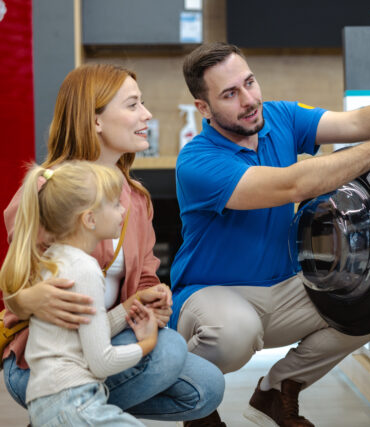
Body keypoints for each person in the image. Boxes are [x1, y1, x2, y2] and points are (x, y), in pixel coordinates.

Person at [169, 42, 370, 427]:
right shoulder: (197, 161)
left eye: (249, 82)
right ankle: (194, 403)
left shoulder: (280, 118)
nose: (250, 99)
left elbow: (356, 123)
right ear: (204, 108)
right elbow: (291, 185)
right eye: (230, 94)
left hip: (283, 290)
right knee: (235, 331)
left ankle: (277, 391)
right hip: (211, 296)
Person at [2, 64, 225, 426]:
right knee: (167, 351)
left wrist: (153, 301)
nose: (147, 115)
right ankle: (60, 409)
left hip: (103, 339)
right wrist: (27, 298)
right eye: (133, 104)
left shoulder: (135, 198)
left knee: (206, 388)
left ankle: (68, 414)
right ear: (95, 122)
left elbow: (147, 278)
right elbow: (14, 284)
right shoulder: (51, 190)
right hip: (41, 359)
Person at [0, 161, 159, 426]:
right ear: (89, 219)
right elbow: (101, 362)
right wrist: (147, 344)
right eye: (115, 204)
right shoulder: (85, 269)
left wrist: (127, 308)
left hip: (46, 402)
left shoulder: (54, 259)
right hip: (74, 402)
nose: (123, 211)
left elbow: (84, 330)